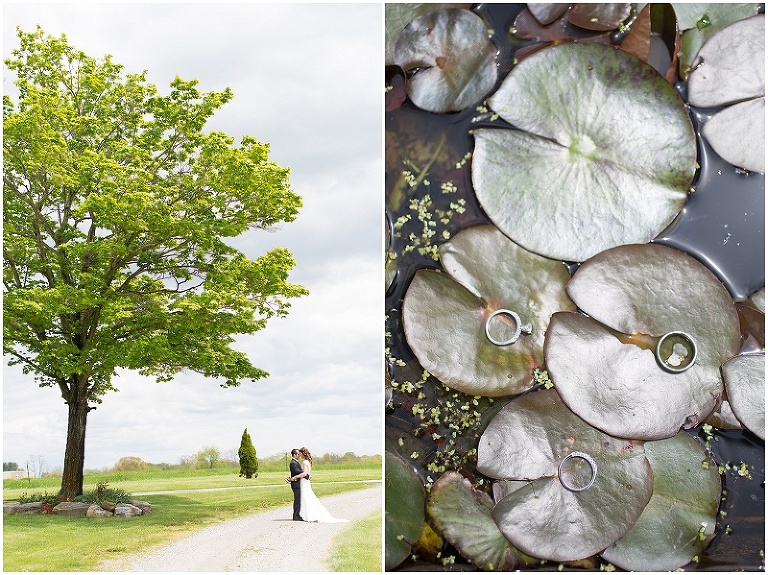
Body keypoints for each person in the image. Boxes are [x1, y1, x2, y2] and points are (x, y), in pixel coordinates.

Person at [297, 447, 348, 523]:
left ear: (302, 453)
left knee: (306, 497)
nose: (299, 455)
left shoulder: (304, 462)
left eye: (300, 453)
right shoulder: (308, 462)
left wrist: (295, 477)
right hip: (307, 481)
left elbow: (304, 473)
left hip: (304, 481)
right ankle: (309, 515)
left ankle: (310, 516)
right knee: (308, 497)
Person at [285, 448, 306, 520]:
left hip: (297, 484)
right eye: (298, 454)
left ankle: (298, 515)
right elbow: (298, 471)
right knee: (297, 500)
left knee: (299, 499)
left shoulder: (295, 462)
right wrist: (307, 475)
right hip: (296, 484)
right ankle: (296, 516)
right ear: (294, 455)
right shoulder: (293, 463)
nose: (299, 455)